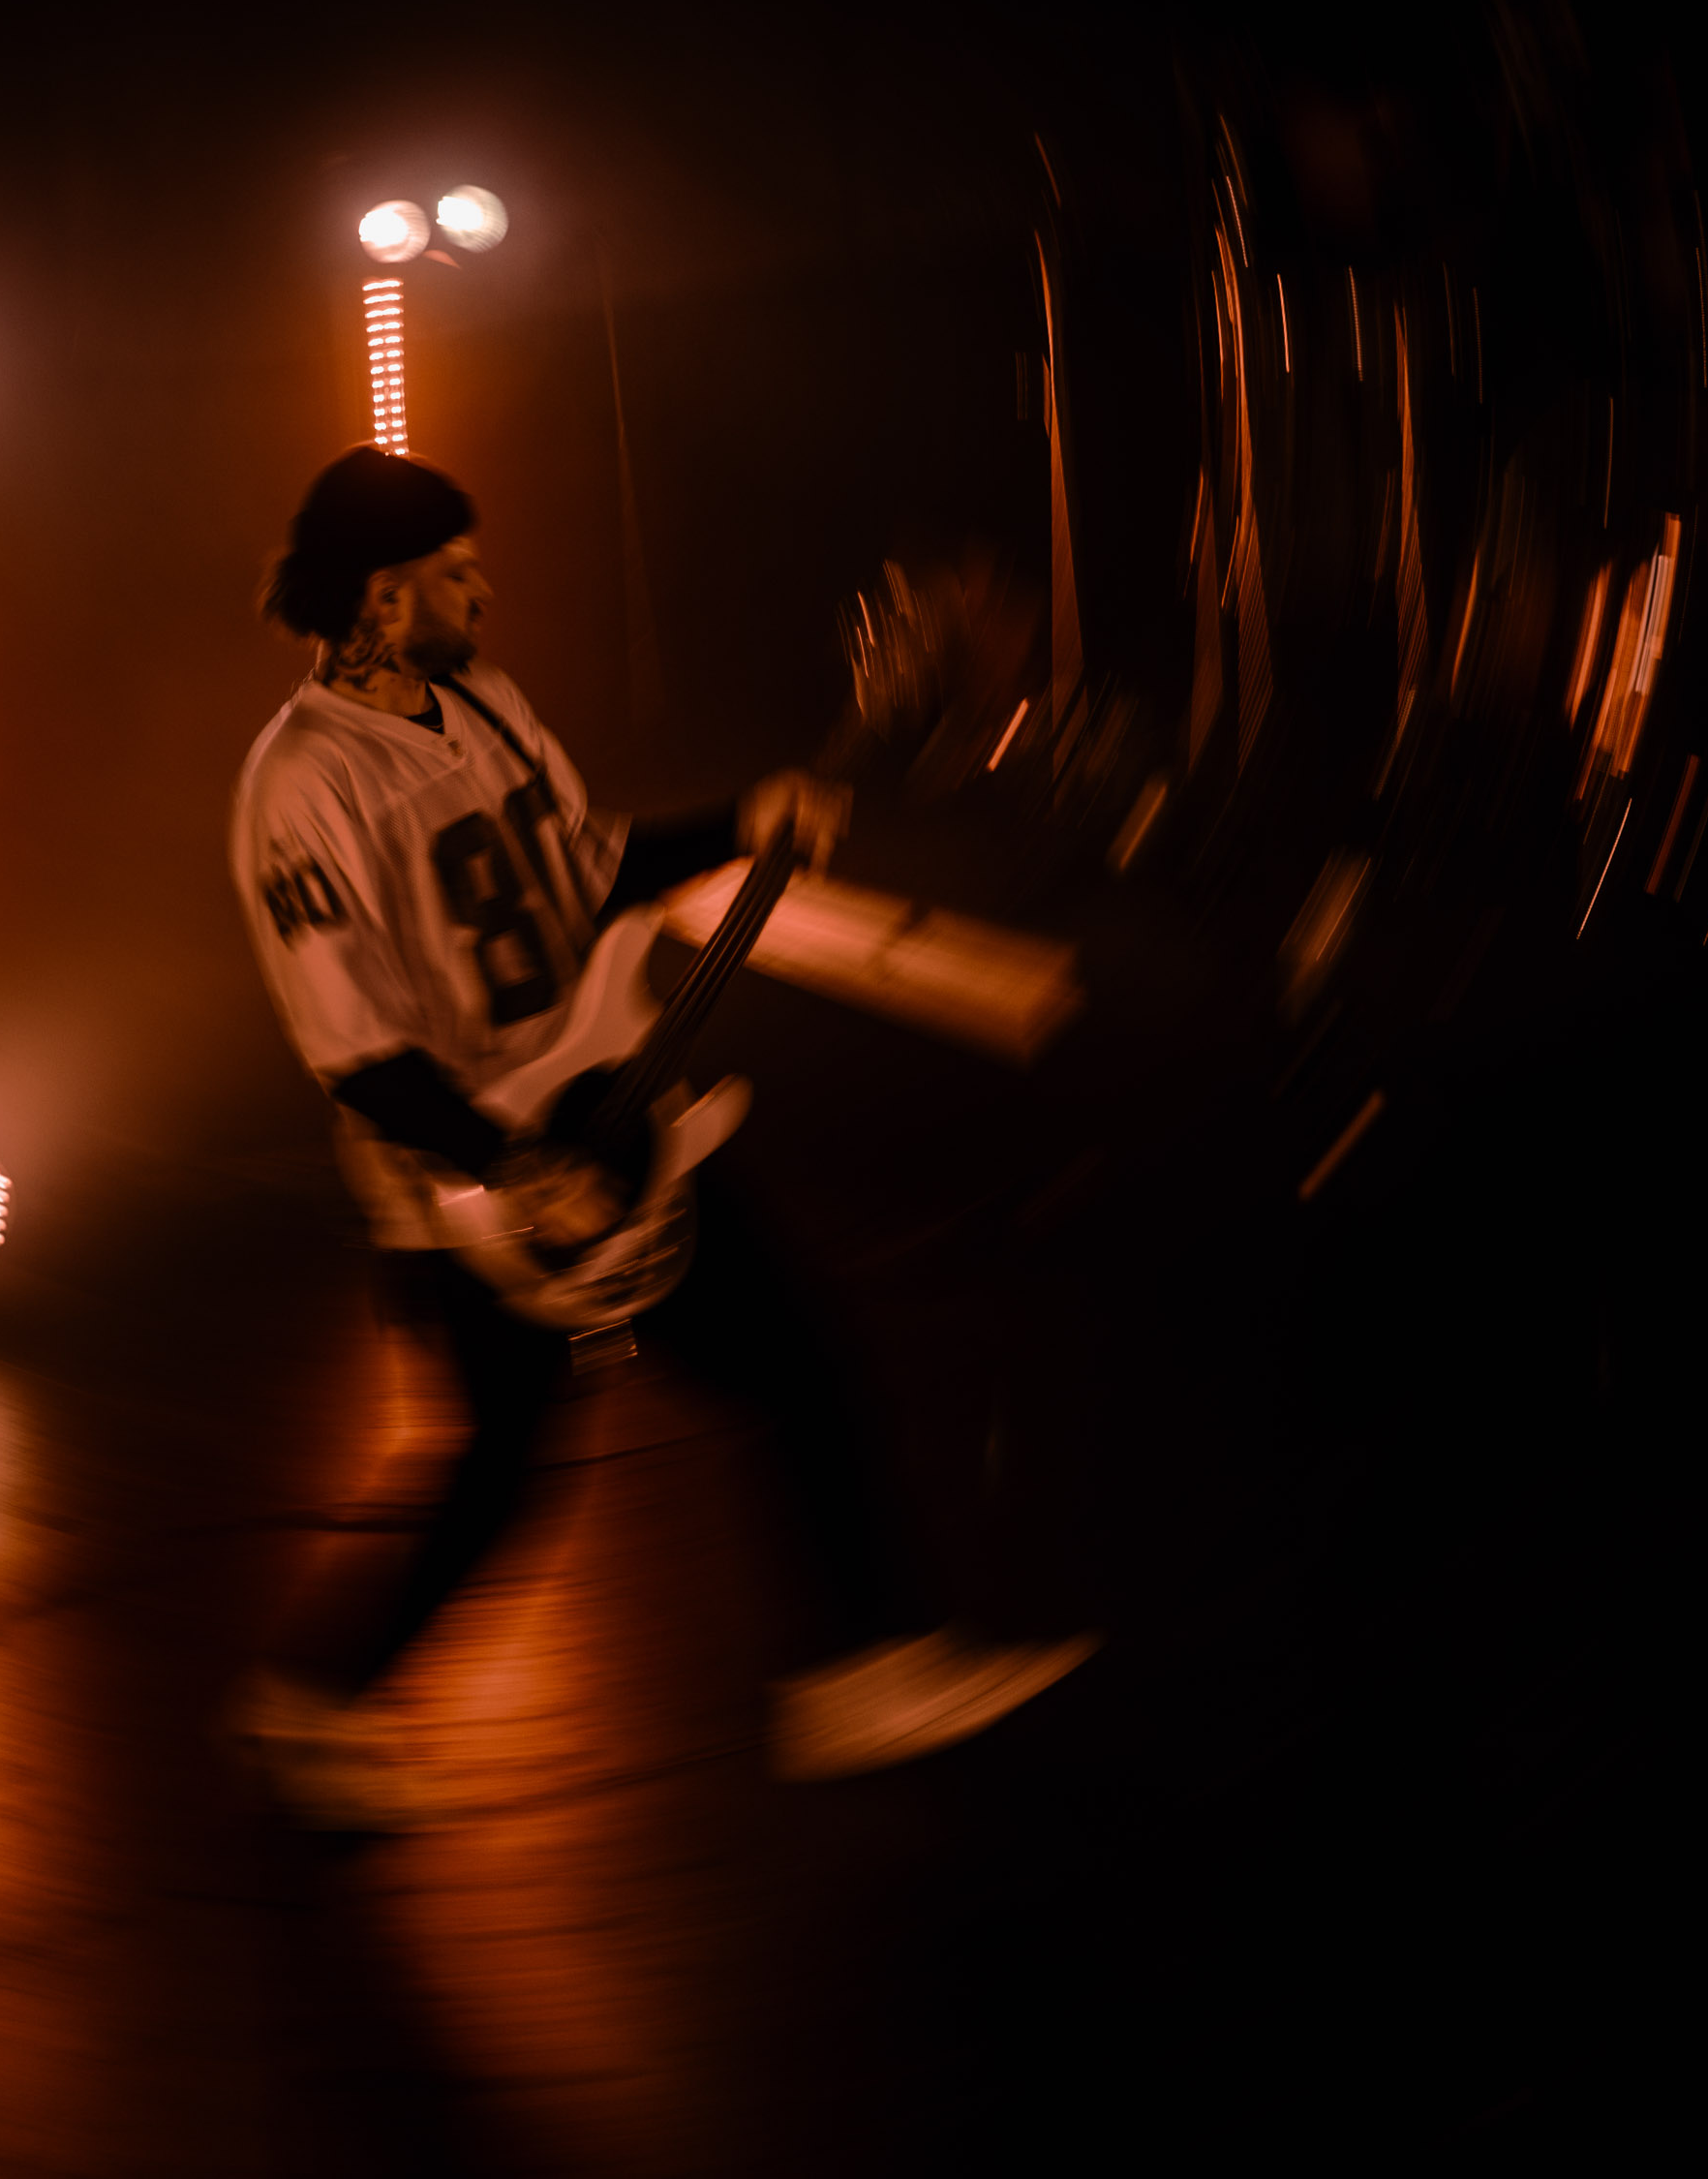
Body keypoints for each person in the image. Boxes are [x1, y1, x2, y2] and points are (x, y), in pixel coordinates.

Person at [228, 445, 1093, 1826]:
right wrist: (511, 1165)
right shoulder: (299, 788)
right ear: (384, 600)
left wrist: (744, 819)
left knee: (795, 1363)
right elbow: (354, 1047)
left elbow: (583, 866)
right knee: (509, 1471)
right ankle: (315, 1701)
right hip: (480, 1189)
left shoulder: (490, 706)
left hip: (611, 1116)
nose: (482, 586)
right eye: (454, 570)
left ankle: (859, 1665)